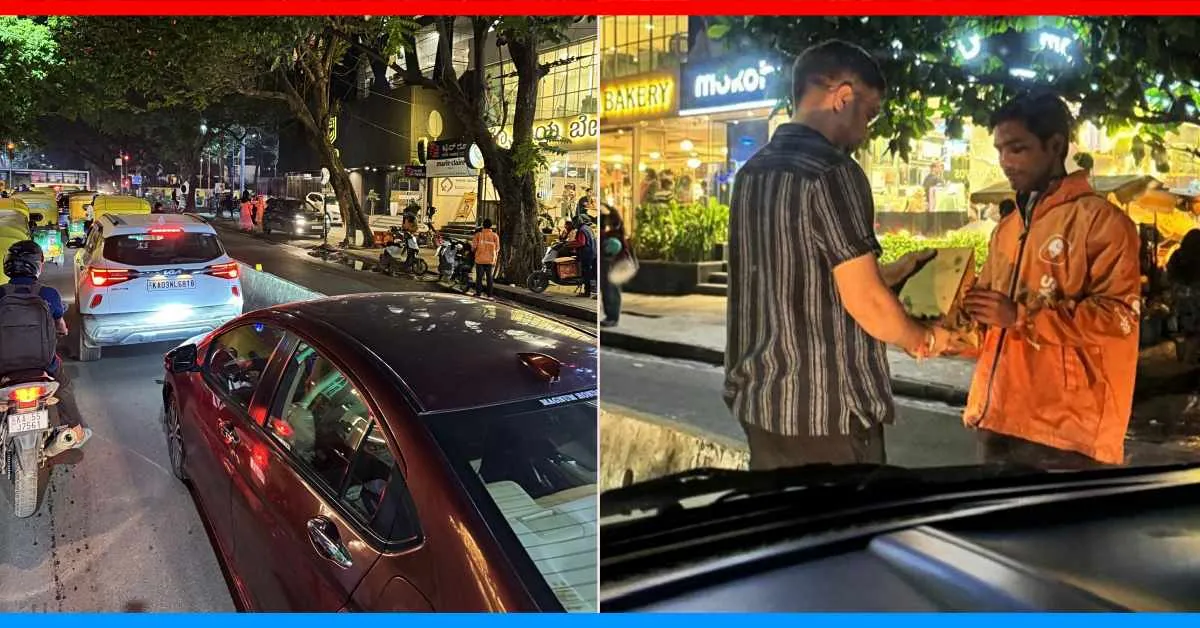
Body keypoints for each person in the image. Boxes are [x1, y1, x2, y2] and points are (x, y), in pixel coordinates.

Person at [723, 40, 949, 471]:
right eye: (868, 114)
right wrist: (926, 339)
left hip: (762, 407)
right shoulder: (834, 171)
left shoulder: (751, 174)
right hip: (828, 415)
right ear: (843, 97)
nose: (866, 130)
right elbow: (866, 303)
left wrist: (892, 271)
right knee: (841, 535)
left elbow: (802, 275)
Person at [948, 92, 1141, 469]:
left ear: (1055, 146)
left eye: (1016, 148)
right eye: (1001, 149)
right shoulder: (1007, 227)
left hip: (1068, 434)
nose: (1005, 162)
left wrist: (1022, 317)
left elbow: (1119, 318)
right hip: (997, 417)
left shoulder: (1103, 223)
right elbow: (989, 323)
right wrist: (942, 325)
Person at [0, 241, 91, 454]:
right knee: (65, 386)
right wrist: (62, 330)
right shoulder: (48, 293)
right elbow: (61, 326)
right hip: (42, 362)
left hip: (3, 364)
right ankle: (75, 430)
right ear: (37, 266)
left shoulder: (1, 294)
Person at [600, 205, 628, 328]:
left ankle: (613, 317)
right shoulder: (609, 232)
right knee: (607, 290)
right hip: (607, 263)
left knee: (612, 290)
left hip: (614, 264)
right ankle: (610, 316)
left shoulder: (615, 233)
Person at [471, 218, 500, 298]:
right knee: (489, 278)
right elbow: (497, 248)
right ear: (491, 226)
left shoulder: (478, 235)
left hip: (480, 260)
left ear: (483, 225)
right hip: (490, 260)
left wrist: (474, 251)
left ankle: (478, 293)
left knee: (479, 278)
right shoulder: (495, 236)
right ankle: (490, 295)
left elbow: (473, 247)